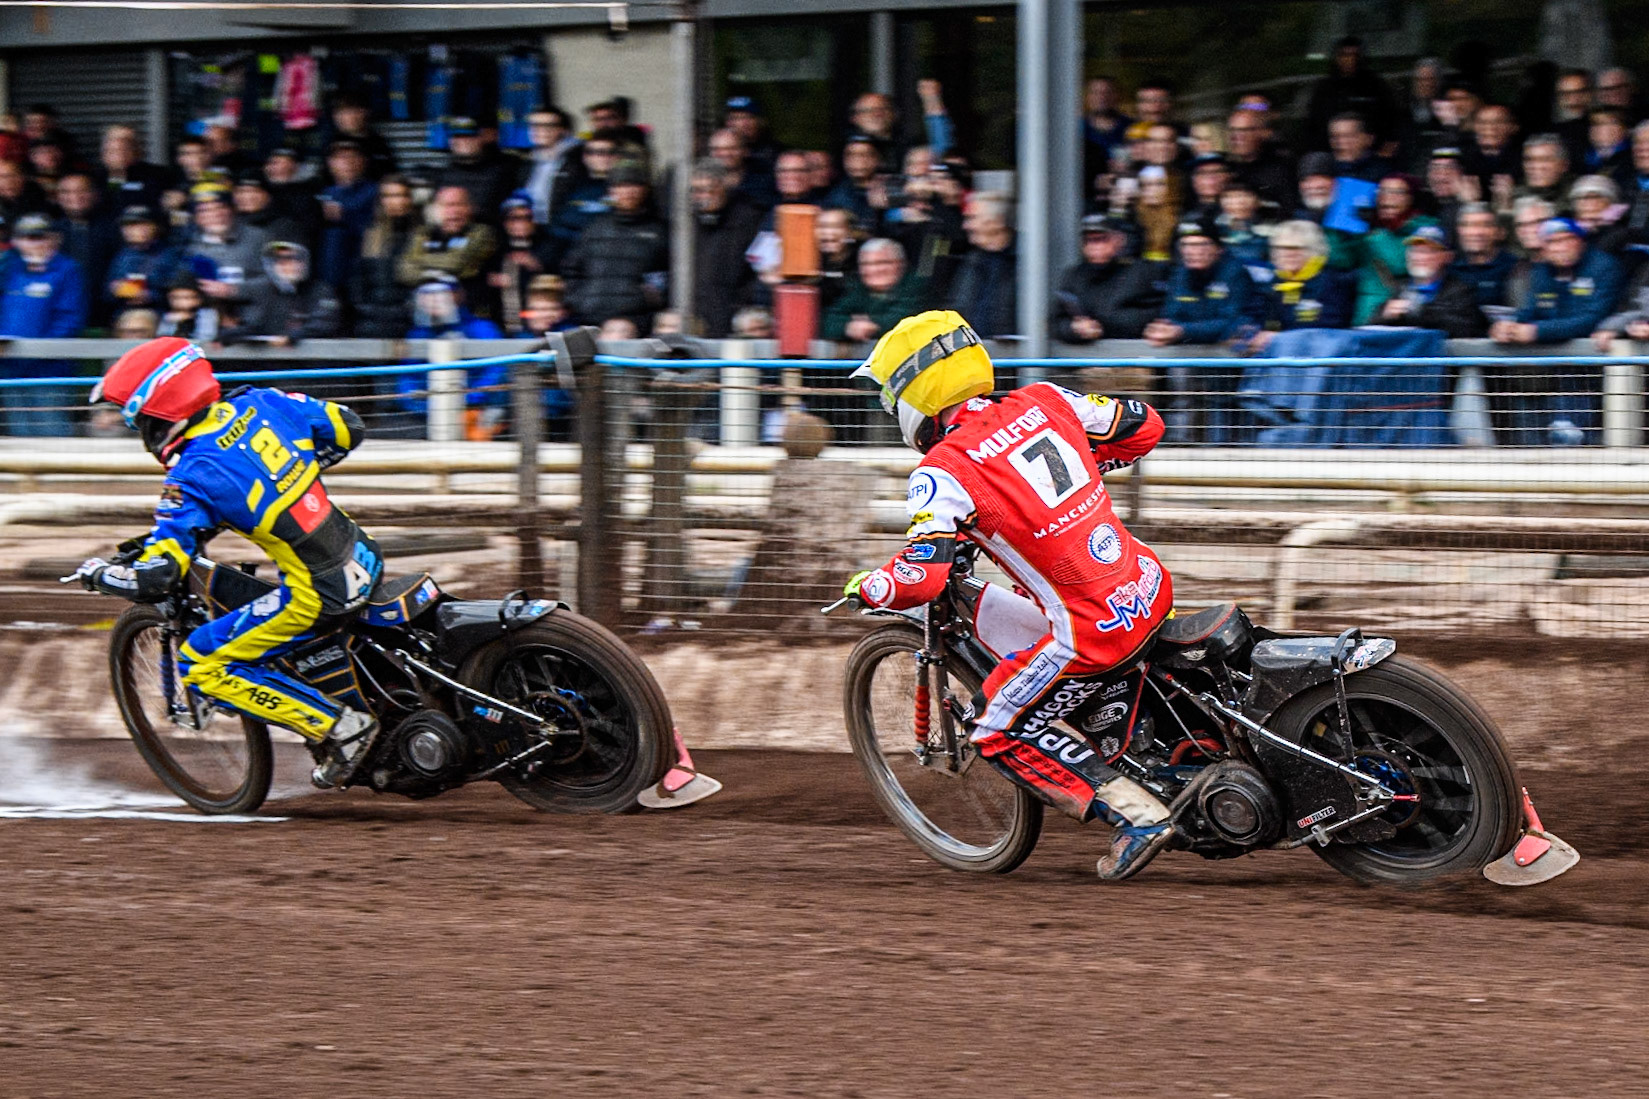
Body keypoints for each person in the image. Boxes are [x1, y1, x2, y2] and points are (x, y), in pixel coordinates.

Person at [843, 310, 1179, 880]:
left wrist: (870, 585)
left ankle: (1138, 814)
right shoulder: (1048, 400)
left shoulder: (941, 470)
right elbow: (1145, 427)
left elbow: (922, 578)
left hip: (1093, 627)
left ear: (914, 392)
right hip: (1149, 584)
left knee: (997, 726)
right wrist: (1085, 469)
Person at [71, 338, 385, 788]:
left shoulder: (192, 474)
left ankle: (344, 729)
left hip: (318, 593)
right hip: (363, 552)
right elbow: (346, 427)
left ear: (160, 411)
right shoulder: (264, 402)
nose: (142, 430)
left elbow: (161, 573)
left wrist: (101, 575)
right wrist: (290, 478)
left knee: (202, 661)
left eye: (140, 419)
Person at [1490, 217, 1623, 444]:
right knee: (1536, 445)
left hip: (1589, 374)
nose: (1560, 247)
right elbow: (1531, 310)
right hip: (1545, 374)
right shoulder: (1541, 271)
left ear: (1580, 241)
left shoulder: (1603, 266)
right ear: (1543, 248)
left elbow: (1591, 319)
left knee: (1576, 443)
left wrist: (1536, 331)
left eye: (1567, 240)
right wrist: (1507, 326)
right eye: (1552, 242)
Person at [0, 213, 90, 434]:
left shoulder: (68, 270)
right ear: (17, 241)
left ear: (54, 239)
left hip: (50, 367)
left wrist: (41, 349)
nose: (34, 243)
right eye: (26, 238)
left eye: (39, 237)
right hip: (10, 365)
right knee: (18, 427)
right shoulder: (9, 269)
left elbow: (70, 319)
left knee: (52, 426)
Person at [560, 161, 668, 333]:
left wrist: (649, 301)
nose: (628, 192)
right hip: (590, 318)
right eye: (621, 186)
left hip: (635, 320)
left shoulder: (659, 232)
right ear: (611, 191)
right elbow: (571, 270)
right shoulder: (594, 228)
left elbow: (666, 276)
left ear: (645, 190)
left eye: (634, 185)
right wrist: (580, 301)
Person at [1050, 213, 1160, 344]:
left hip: (1132, 355)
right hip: (1087, 358)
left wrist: (1102, 325)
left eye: (1102, 240)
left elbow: (1154, 316)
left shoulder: (1141, 273)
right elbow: (1056, 321)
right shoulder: (1075, 275)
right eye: (1088, 241)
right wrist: (1074, 329)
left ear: (1119, 240)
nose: (1095, 248)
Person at [1248, 219, 1354, 351]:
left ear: (1315, 250)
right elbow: (1254, 316)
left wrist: (1279, 338)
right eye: (1281, 248)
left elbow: (1330, 327)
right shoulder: (1271, 283)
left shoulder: (1334, 282)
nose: (1288, 254)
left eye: (1296, 248)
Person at [396, 185, 499, 320]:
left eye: (459, 205)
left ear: (470, 208)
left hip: (471, 315)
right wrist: (438, 271)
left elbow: (456, 263)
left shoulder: (482, 233)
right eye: (447, 205)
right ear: (436, 210)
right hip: (426, 317)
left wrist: (421, 263)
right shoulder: (424, 234)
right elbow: (404, 271)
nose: (454, 211)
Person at [688, 157, 762, 338]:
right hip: (693, 314)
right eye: (697, 191)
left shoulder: (749, 220)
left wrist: (741, 303)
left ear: (724, 187)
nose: (703, 197)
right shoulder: (684, 223)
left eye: (710, 189)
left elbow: (759, 269)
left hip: (735, 315)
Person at [1371, 224, 1487, 337]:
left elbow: (1466, 328)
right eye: (1414, 251)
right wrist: (1385, 315)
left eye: (1428, 251)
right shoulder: (1400, 289)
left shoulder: (1460, 292)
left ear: (1447, 256)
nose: (1418, 257)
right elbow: (1371, 327)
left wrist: (1419, 310)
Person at [224, 240, 341, 347]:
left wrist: (292, 337)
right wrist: (226, 335)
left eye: (294, 259)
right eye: (281, 262)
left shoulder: (321, 290)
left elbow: (325, 323)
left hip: (315, 362)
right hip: (271, 362)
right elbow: (255, 326)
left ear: (305, 263)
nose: (289, 266)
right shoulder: (264, 291)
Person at [349, 175, 418, 338]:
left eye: (401, 195)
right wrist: (366, 309)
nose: (396, 202)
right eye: (389, 196)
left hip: (408, 324)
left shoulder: (420, 235)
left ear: (409, 199)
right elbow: (357, 281)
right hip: (371, 322)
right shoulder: (371, 236)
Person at [1304, 35, 1398, 152]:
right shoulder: (1324, 88)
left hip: (1371, 154)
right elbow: (1314, 125)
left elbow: (1390, 120)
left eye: (1354, 55)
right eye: (1345, 55)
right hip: (1330, 155)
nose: (1350, 60)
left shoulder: (1375, 86)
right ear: (1337, 58)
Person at [821, 237, 922, 342]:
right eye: (866, 264)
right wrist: (848, 327)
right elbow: (829, 321)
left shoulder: (915, 285)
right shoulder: (857, 288)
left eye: (883, 262)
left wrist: (874, 325)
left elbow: (906, 321)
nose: (873, 269)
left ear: (900, 264)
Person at [946, 192, 1017, 338]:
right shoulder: (971, 262)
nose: (966, 226)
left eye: (972, 218)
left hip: (1014, 355)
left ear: (997, 221)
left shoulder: (1027, 262)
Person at [435, 118, 519, 226]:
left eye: (469, 136)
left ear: (481, 138)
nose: (463, 141)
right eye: (457, 137)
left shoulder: (501, 172)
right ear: (450, 141)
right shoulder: (444, 174)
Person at [105, 205, 184, 315]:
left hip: (158, 316)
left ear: (155, 227)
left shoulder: (170, 256)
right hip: (125, 316)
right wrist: (113, 290)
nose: (132, 231)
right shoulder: (121, 255)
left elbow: (180, 293)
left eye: (139, 225)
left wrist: (149, 296)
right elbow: (107, 293)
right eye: (128, 226)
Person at [1450, 202, 1518, 308]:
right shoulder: (1451, 270)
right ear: (1459, 231)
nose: (1477, 232)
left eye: (1486, 225)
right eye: (1469, 225)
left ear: (1499, 232)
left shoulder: (1516, 268)